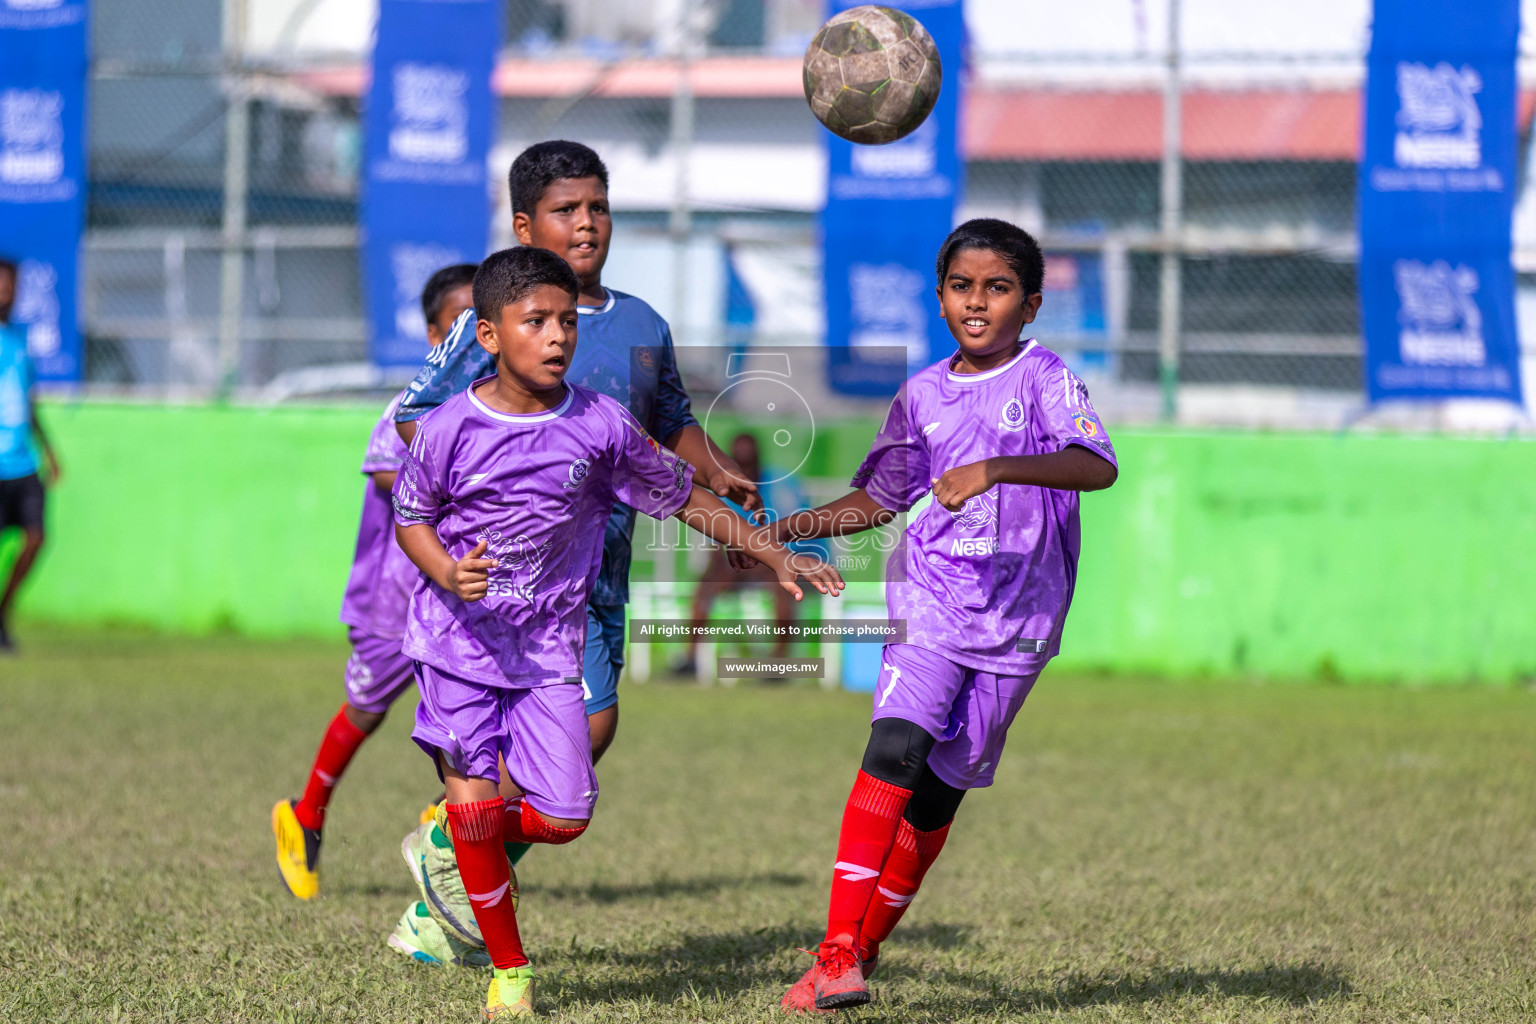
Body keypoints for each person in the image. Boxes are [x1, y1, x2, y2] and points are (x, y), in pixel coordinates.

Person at [390, 246, 842, 1018]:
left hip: (546, 649)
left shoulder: (601, 425)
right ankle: (510, 971)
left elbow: (683, 496)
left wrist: (768, 547)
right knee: (470, 800)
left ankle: (459, 838)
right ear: (490, 335)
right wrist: (443, 570)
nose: (558, 336)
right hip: (459, 645)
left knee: (565, 815)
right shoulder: (449, 427)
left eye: (566, 321)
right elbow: (411, 516)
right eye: (536, 321)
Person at [771, 219, 1119, 1012]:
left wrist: (994, 468)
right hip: (928, 597)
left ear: (1029, 306)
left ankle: (861, 947)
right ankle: (834, 954)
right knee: (893, 749)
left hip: (1021, 617)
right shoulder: (922, 392)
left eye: (997, 289)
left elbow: (1095, 464)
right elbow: (881, 497)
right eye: (962, 287)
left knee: (936, 799)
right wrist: (792, 528)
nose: (977, 302)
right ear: (939, 298)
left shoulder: (1045, 377)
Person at [394, 140, 758, 870]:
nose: (587, 223)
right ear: (526, 228)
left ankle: (458, 850)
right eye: (567, 210)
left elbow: (670, 420)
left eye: (599, 207)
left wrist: (714, 470)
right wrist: (504, 476)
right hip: (509, 572)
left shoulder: (643, 324)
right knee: (575, 726)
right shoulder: (490, 322)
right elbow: (417, 414)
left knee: (592, 730)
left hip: (599, 560)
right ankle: (463, 867)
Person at [271, 264, 477, 900]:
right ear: (432, 334)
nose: (471, 339)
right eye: (458, 325)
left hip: (463, 604)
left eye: (482, 324)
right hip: (394, 599)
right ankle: (305, 820)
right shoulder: (410, 404)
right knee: (366, 710)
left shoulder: (499, 408)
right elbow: (390, 475)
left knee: (474, 720)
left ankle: (447, 823)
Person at [672, 431, 822, 674]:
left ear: (759, 458)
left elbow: (801, 533)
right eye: (740, 464)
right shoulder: (727, 489)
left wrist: (764, 556)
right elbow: (719, 539)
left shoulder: (783, 485)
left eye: (749, 462)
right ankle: (690, 659)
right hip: (749, 565)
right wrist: (719, 567)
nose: (746, 470)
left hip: (795, 561)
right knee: (708, 582)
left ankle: (778, 664)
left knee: (781, 580)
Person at [0, 257, 61, 653]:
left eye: (10, 285)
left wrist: (50, 450)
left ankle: (1, 614)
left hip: (24, 462)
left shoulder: (20, 341)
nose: (5, 292)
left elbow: (29, 400)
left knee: (36, 539)